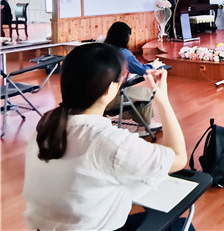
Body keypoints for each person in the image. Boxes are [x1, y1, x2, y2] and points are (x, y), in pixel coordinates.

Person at [22, 43, 187, 230]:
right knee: (182, 226)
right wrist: (162, 99)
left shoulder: (44, 127)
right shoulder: (112, 144)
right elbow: (179, 158)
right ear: (110, 88)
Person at [104, 21, 165, 136]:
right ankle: (144, 126)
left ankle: (143, 123)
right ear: (125, 37)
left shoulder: (103, 48)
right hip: (112, 99)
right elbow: (143, 71)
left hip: (97, 98)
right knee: (146, 93)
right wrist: (154, 65)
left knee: (133, 93)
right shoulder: (124, 53)